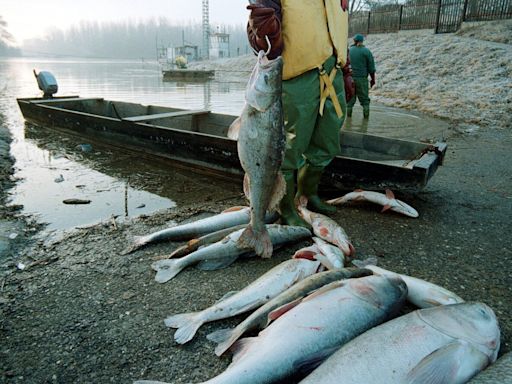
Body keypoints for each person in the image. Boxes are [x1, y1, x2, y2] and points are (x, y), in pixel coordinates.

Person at [247, 0, 354, 227]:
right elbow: (260, 41)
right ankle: (284, 208)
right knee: (288, 148)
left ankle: (307, 195)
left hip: (332, 72)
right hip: (296, 77)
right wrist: (263, 35)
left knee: (327, 141)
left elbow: (337, 29)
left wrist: (346, 71)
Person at [347, 33, 376, 119]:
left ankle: (348, 122)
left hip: (350, 79)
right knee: (365, 102)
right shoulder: (367, 51)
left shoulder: (349, 51)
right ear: (362, 41)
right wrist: (373, 80)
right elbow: (371, 68)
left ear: (354, 41)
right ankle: (365, 121)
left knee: (349, 102)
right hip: (362, 79)